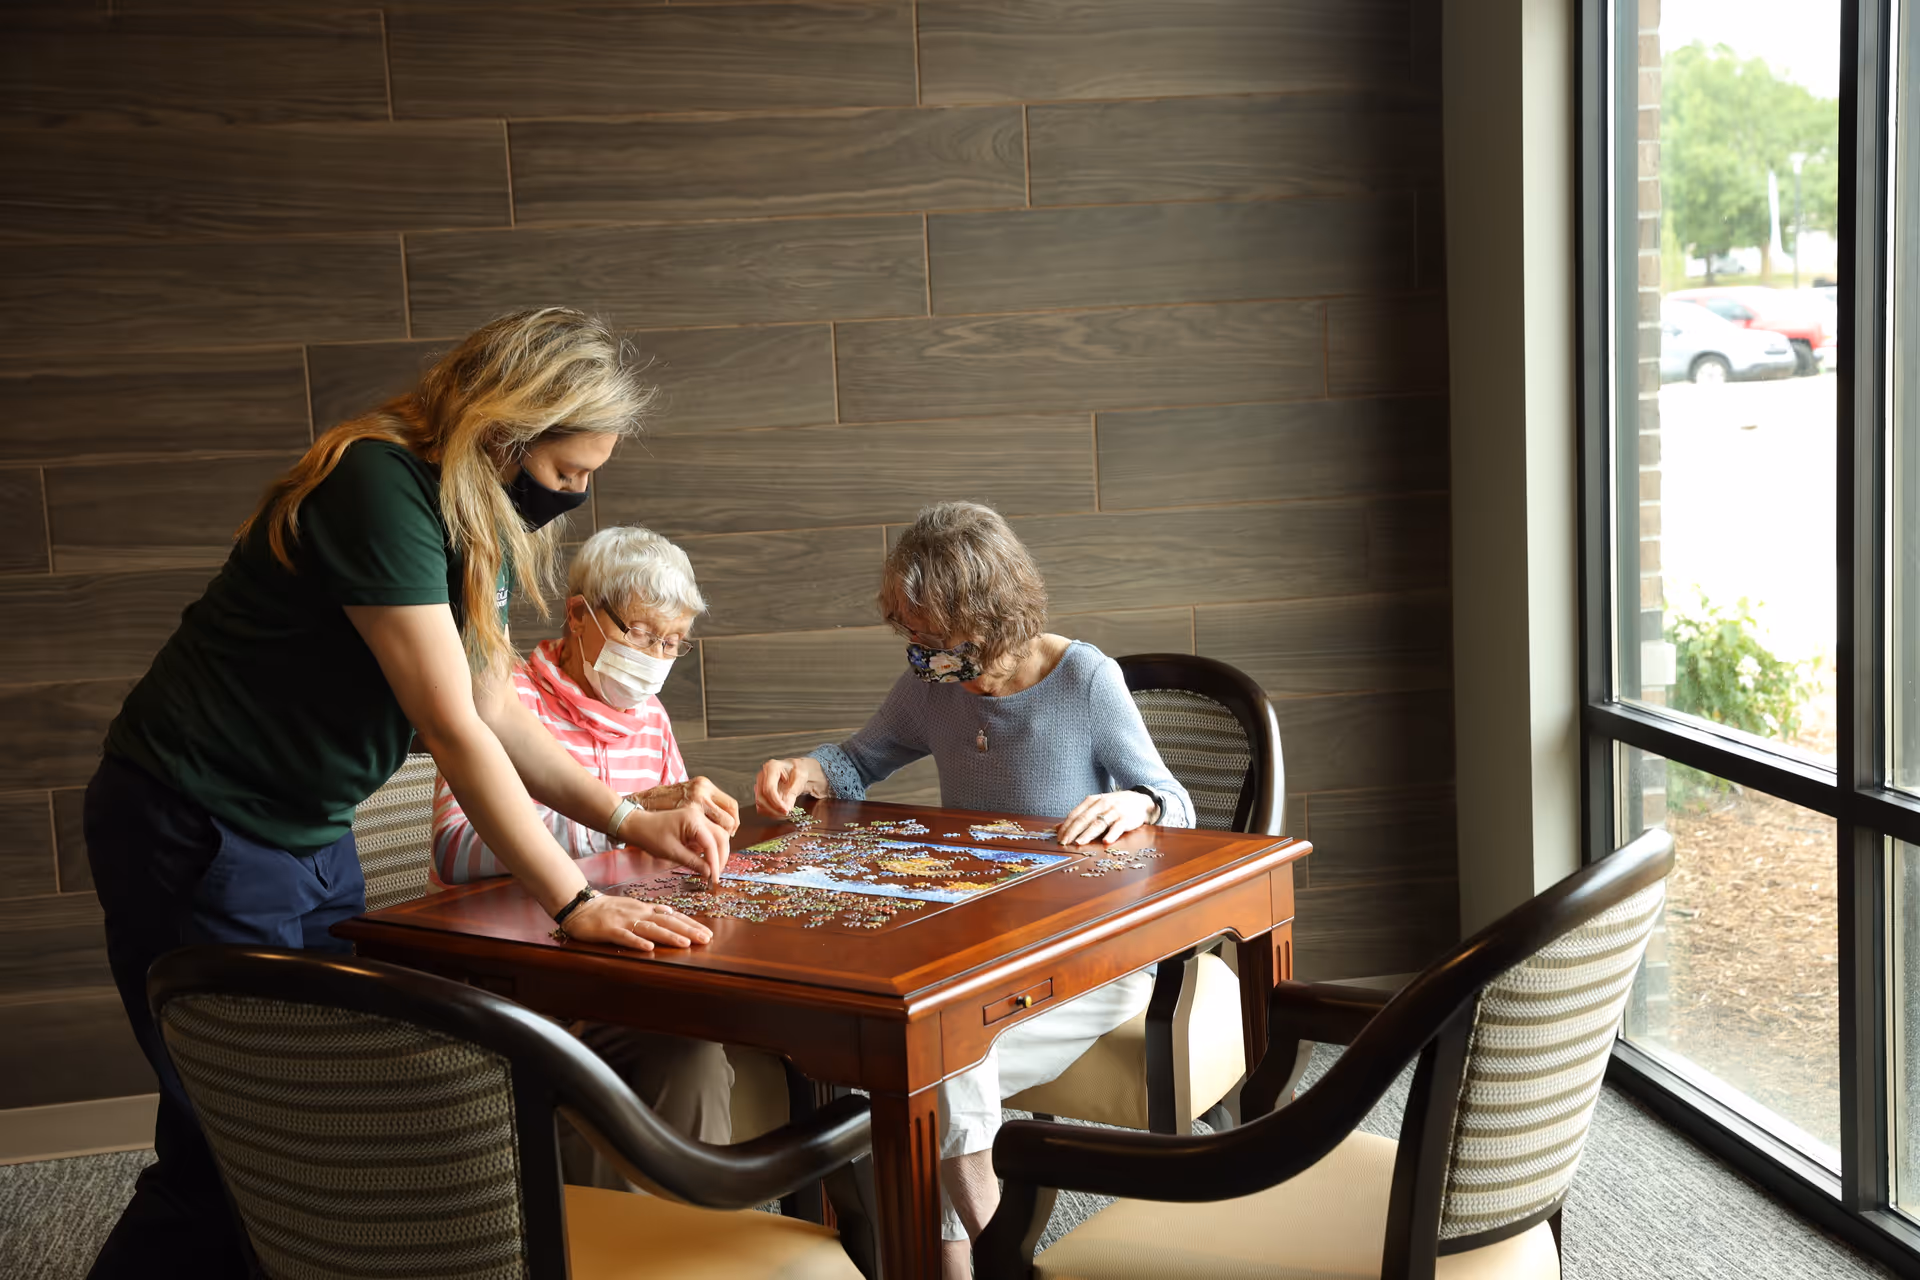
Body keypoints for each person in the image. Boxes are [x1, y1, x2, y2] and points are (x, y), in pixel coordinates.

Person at [83, 308, 730, 1280]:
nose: (578, 494)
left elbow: (500, 707)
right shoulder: (377, 486)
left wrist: (631, 819)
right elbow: (452, 728)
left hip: (309, 829)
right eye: (567, 473)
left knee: (339, 1122)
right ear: (506, 432)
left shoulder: (478, 513)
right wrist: (578, 898)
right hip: (196, 819)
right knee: (237, 1145)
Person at [753, 500, 1194, 1279]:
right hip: (977, 957)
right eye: (916, 643)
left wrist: (1138, 803)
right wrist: (808, 771)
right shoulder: (933, 683)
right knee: (930, 1057)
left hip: (1093, 961)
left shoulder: (1086, 679)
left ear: (993, 616)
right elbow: (859, 760)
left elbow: (1175, 801)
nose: (929, 663)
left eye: (942, 643)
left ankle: (988, 1263)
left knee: (940, 1060)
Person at [432, 523, 740, 1159]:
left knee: (727, 1044)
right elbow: (455, 851)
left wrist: (697, 839)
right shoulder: (502, 699)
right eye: (642, 634)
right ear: (579, 615)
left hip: (622, 969)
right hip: (520, 977)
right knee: (686, 1057)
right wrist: (619, 820)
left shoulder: (649, 717)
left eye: (672, 642)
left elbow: (662, 847)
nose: (655, 655)